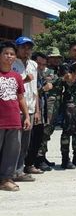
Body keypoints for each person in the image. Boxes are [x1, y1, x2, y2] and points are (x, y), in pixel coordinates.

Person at [0, 41, 30, 191]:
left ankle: (6, 179)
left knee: (12, 151)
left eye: (12, 54)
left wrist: (26, 116)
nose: (9, 56)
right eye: (6, 53)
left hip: (14, 119)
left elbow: (21, 98)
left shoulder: (17, 76)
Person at [12, 36, 38, 182]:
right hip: (14, 108)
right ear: (17, 48)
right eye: (23, 47)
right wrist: (24, 80)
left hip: (30, 108)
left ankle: (19, 171)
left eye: (29, 47)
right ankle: (9, 171)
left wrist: (37, 110)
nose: (26, 50)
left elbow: (35, 89)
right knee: (13, 143)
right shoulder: (11, 63)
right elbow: (9, 84)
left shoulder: (33, 64)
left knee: (25, 144)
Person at [36, 47, 63, 171]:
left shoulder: (58, 70)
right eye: (53, 57)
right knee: (45, 130)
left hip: (56, 104)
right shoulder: (45, 71)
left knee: (49, 130)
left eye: (58, 58)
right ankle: (38, 158)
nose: (56, 60)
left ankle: (43, 156)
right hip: (48, 103)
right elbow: (40, 88)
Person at [24, 52, 49, 174]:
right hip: (28, 110)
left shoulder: (41, 75)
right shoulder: (27, 72)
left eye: (43, 64)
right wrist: (43, 89)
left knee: (37, 138)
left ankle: (30, 164)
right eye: (39, 63)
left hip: (39, 110)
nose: (41, 66)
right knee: (27, 141)